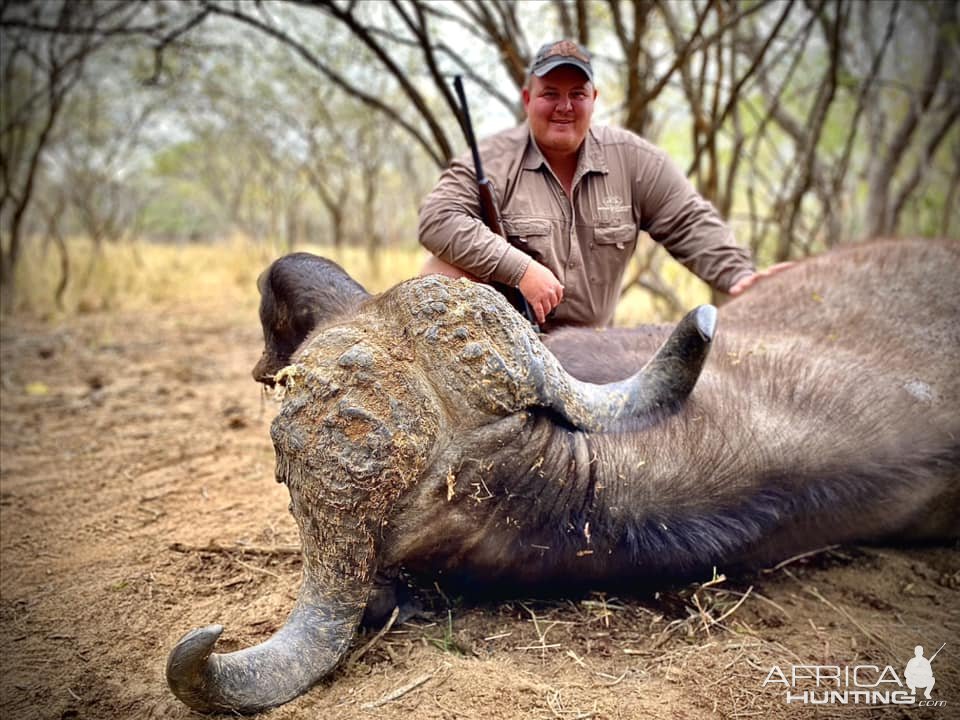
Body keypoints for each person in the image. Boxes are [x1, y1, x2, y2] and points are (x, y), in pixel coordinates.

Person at [419, 39, 789, 330]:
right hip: (503, 345)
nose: (564, 106)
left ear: (593, 100)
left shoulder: (633, 158)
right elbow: (437, 219)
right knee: (441, 271)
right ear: (528, 99)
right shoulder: (493, 158)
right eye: (550, 93)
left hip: (594, 351)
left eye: (577, 94)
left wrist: (739, 276)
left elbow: (688, 220)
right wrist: (521, 270)